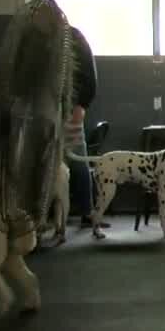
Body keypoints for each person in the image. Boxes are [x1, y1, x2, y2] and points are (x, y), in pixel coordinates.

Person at [63, 26, 105, 229]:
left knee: (78, 160)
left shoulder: (74, 38)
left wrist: (81, 105)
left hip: (70, 106)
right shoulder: (36, 40)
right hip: (45, 107)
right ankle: (41, 217)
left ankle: (88, 212)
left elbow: (89, 75)